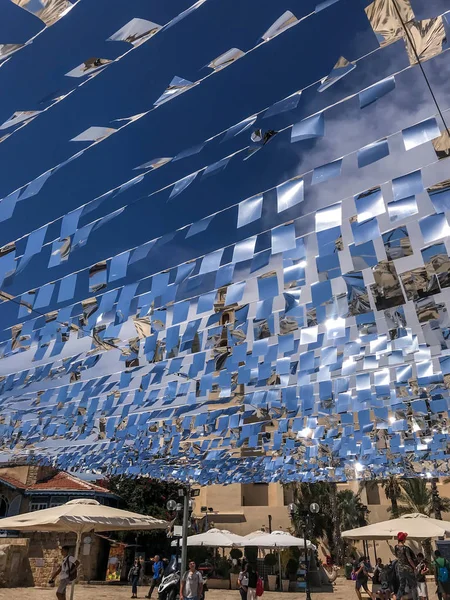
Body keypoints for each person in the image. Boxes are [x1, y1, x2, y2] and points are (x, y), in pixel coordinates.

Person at [394, 532, 417, 600]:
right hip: (407, 568)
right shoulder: (405, 548)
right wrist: (414, 567)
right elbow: (409, 559)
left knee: (402, 585)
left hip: (400, 569)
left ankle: (398, 598)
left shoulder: (396, 547)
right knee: (413, 585)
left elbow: (397, 555)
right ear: (404, 539)